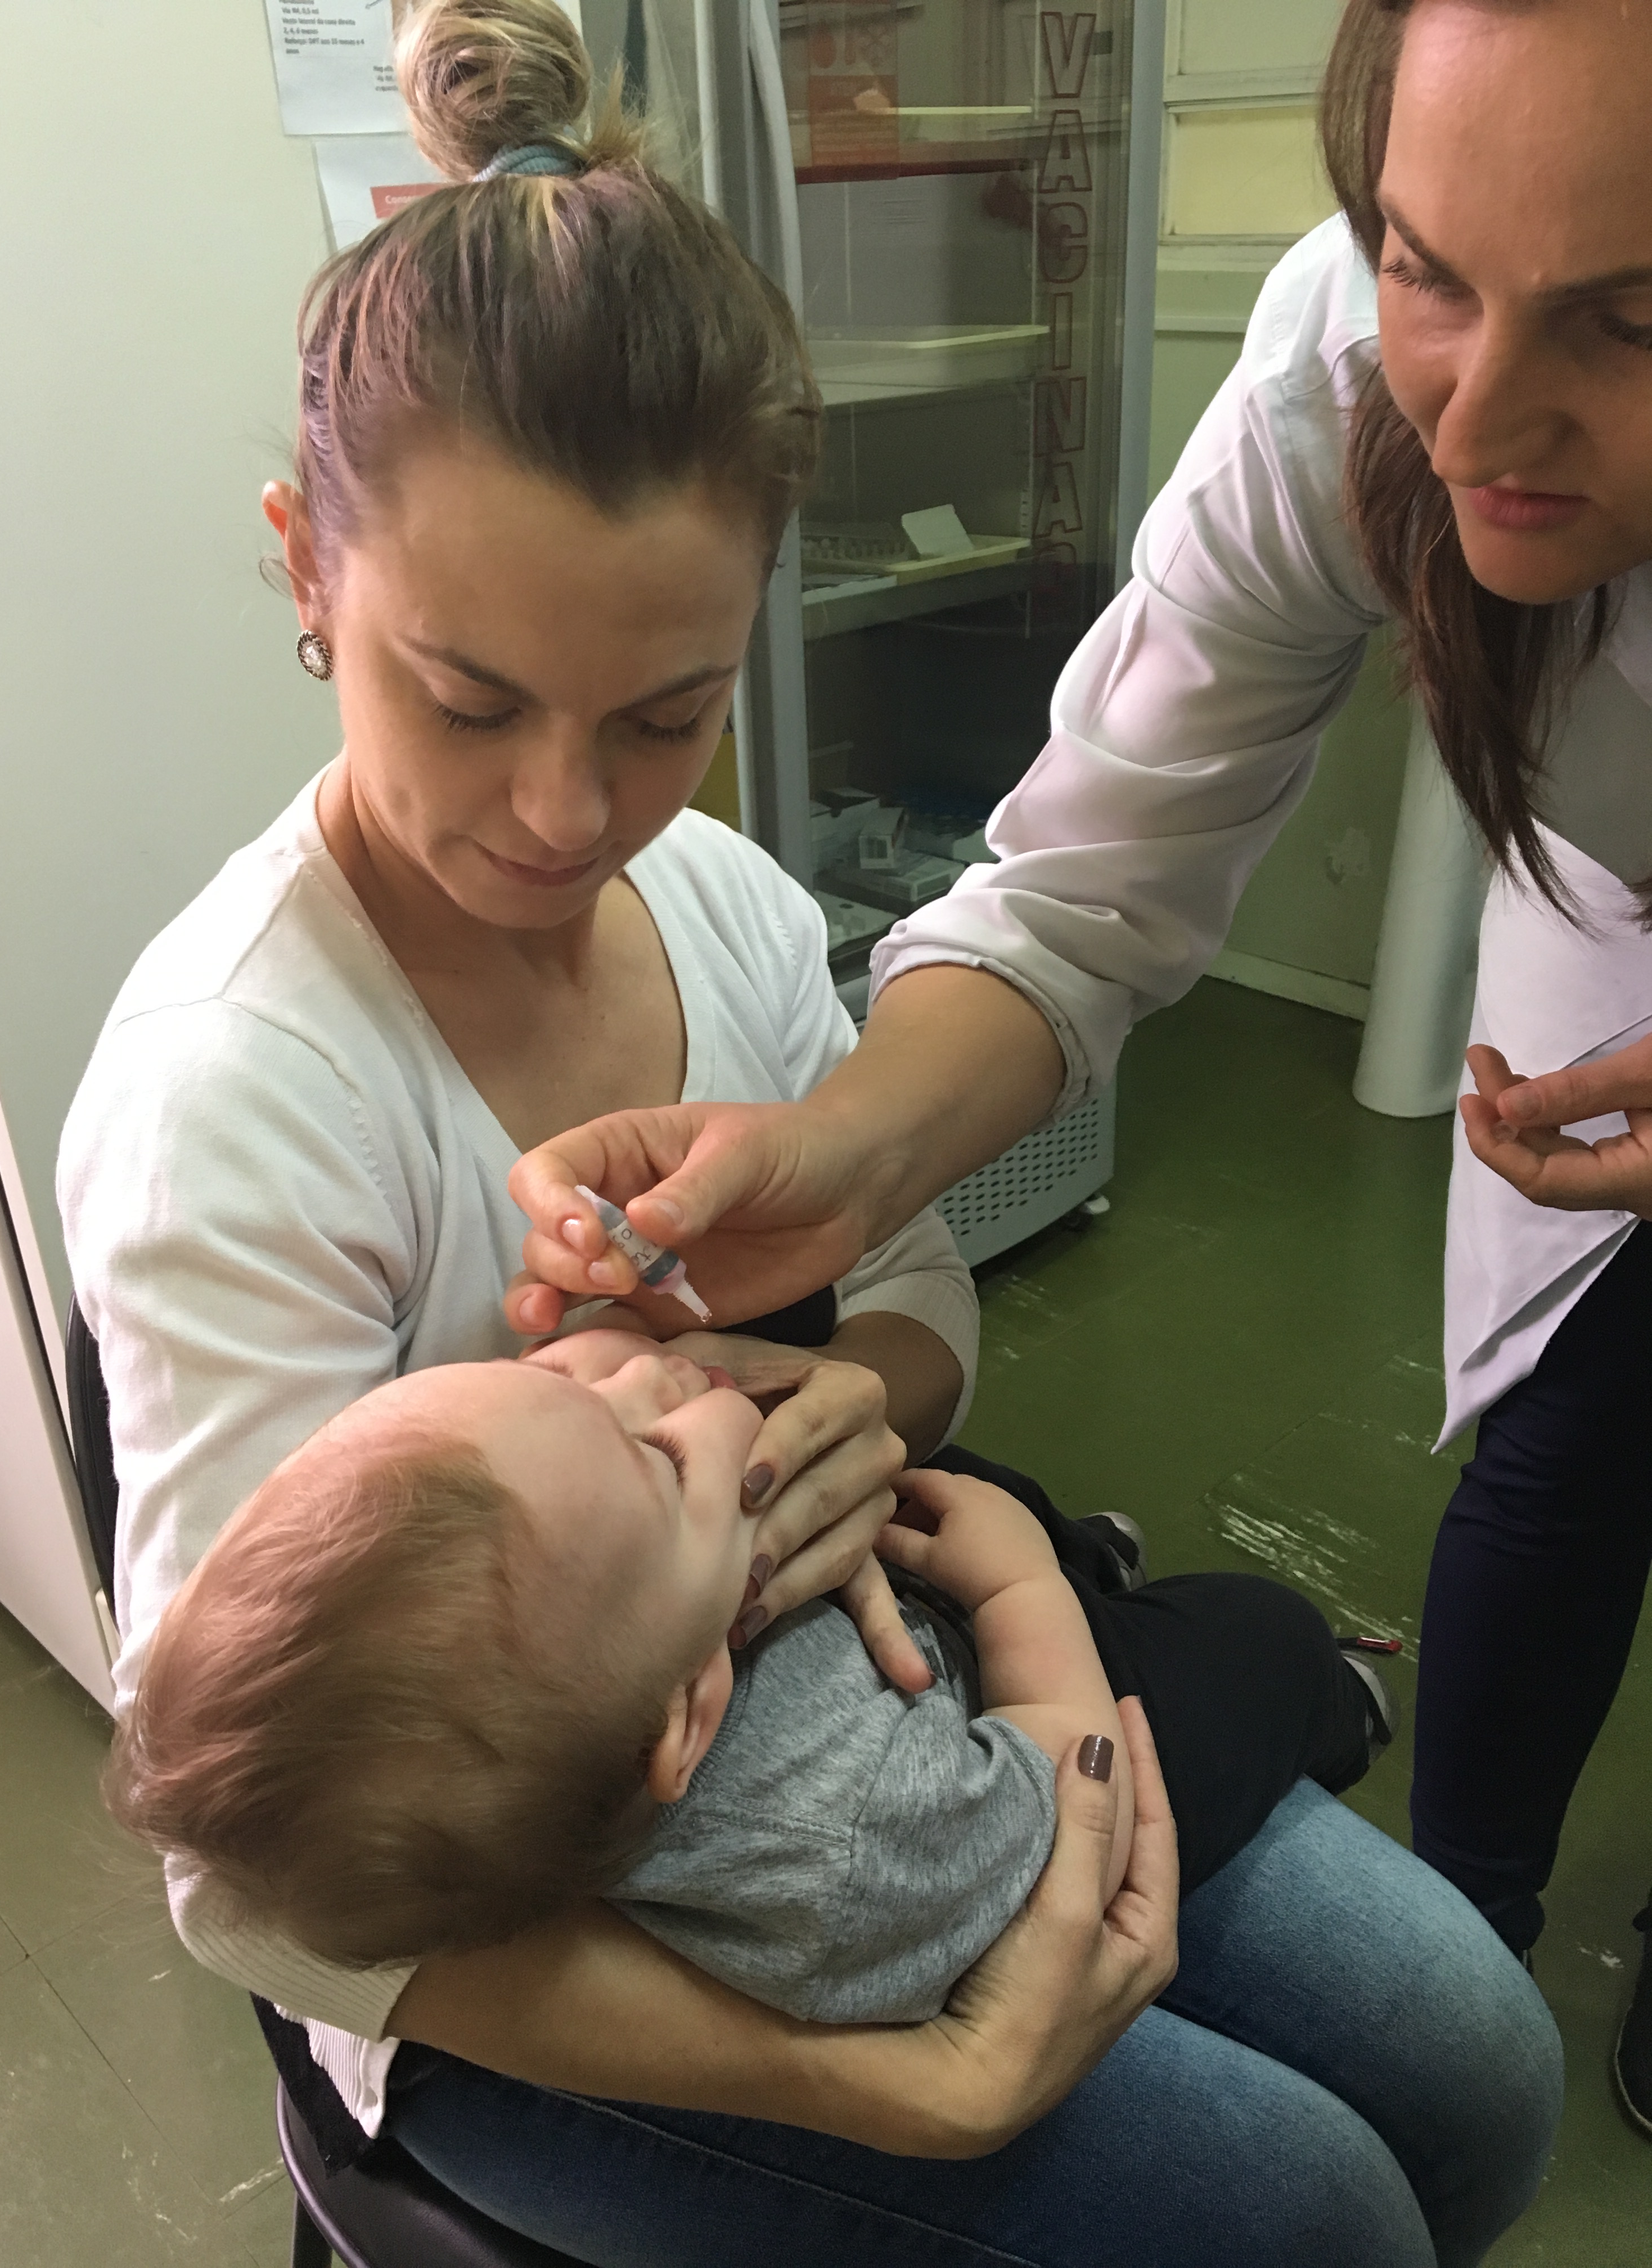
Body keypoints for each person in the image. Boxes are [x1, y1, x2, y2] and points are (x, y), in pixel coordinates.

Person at [58, 2, 1560, 2260]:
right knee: (1308, 2215)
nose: (564, 816)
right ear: (306, 570)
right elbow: (254, 1899)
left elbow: (916, 1290)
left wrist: (862, 1396)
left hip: (853, 1715)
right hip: (513, 1943)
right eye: (466, 701)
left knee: (1478, 2062)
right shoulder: (239, 1104)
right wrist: (886, 2087)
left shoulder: (726, 904)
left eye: (665, 713)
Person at [508, 0, 1652, 2130]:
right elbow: (1079, 891)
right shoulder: (1337, 379)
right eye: (1427, 268)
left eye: (1631, 318)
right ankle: (1479, 1893)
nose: (1482, 412)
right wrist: (854, 1153)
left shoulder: (724, 915)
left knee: (1429, 2088)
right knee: (1572, 1436)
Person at [105, 1344, 1398, 2007]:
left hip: (880, 1625)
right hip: (1010, 1742)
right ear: (689, 1709)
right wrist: (1022, 1592)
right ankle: (1329, 1703)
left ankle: (1079, 1553)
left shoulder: (585, 1677)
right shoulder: (853, 1832)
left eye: (557, 1379)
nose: (647, 1377)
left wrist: (640, 1440)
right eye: (658, 1454)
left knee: (960, 1484)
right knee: (1246, 1631)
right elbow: (1063, 1829)